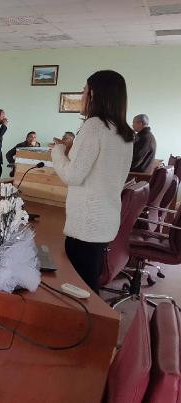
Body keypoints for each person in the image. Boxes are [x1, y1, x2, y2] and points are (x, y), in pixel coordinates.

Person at [51, 70, 134, 292]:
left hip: (86, 224)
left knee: (78, 288)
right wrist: (72, 150)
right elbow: (102, 169)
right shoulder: (123, 131)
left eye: (84, 91)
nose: (81, 96)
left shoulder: (94, 126)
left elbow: (72, 176)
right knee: (89, 283)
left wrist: (58, 152)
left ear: (94, 94)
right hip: (105, 220)